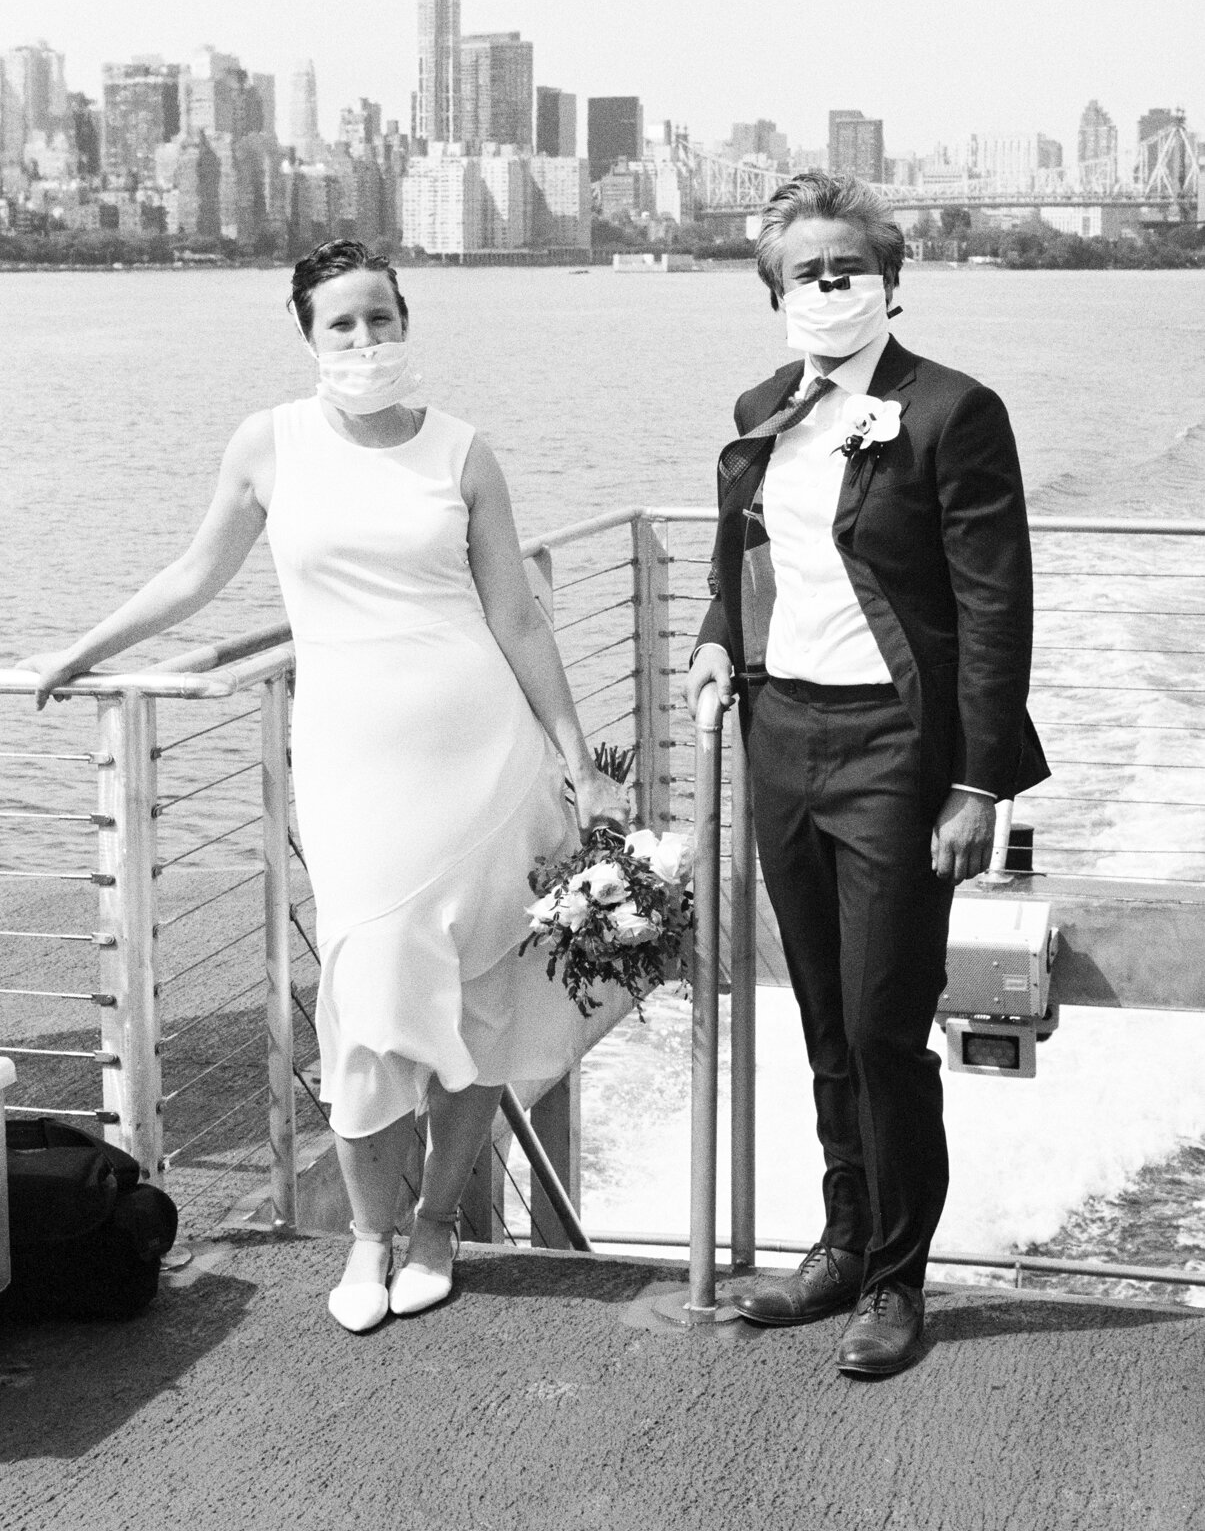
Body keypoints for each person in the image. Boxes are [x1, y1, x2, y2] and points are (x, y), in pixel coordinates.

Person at [21, 238, 627, 1335]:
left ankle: (435, 1225)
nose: (364, 339)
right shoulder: (269, 443)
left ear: (406, 323)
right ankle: (367, 1234)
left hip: (482, 756)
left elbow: (516, 615)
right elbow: (196, 572)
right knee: (370, 997)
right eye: (341, 322)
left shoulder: (462, 453)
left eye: (380, 318)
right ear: (306, 334)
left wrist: (576, 758)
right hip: (354, 769)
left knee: (479, 999)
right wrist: (84, 649)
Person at [687, 173, 1047, 1376]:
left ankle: (895, 1280)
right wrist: (713, 643)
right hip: (780, 736)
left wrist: (977, 785)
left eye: (848, 266)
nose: (829, 285)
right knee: (823, 1020)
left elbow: (993, 608)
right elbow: (743, 553)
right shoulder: (761, 406)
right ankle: (840, 1244)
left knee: (884, 1024)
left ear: (889, 280)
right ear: (773, 293)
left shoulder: (951, 411)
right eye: (806, 270)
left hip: (895, 748)